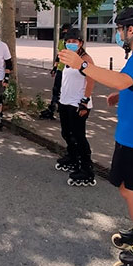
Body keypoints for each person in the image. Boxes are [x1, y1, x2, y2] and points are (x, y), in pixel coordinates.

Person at [59, 8, 133, 266]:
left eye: (120, 29)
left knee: (129, 189)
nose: (119, 34)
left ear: (131, 30)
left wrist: (83, 65)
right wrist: (122, 96)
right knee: (131, 185)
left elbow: (122, 80)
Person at [55, 28, 96, 187]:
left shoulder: (86, 60)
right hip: (65, 101)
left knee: (79, 137)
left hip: (78, 104)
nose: (71, 44)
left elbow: (91, 79)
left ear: (81, 43)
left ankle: (87, 168)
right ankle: (72, 157)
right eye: (69, 41)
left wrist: (85, 101)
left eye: (75, 41)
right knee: (66, 133)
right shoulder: (68, 58)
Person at [40, 23, 72, 120]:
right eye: (64, 31)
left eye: (67, 32)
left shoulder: (72, 44)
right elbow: (58, 56)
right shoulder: (61, 42)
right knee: (56, 91)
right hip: (61, 70)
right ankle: (52, 109)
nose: (65, 34)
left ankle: (64, 111)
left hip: (69, 72)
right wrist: (54, 68)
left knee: (66, 92)